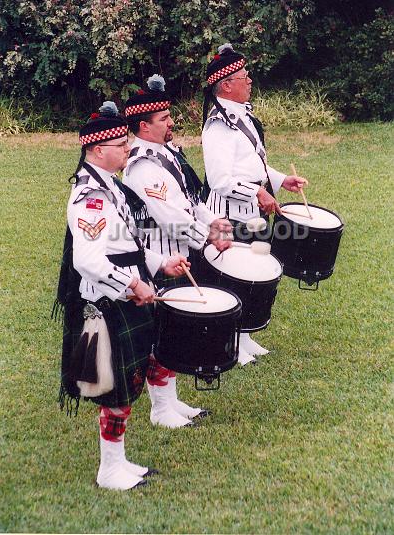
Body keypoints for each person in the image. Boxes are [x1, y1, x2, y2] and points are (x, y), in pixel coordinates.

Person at [55, 103, 190, 491]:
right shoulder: (89, 197)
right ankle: (109, 470)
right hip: (106, 302)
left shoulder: (110, 185)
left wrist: (162, 263)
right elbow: (88, 260)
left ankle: (118, 463)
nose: (128, 148)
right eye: (120, 143)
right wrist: (131, 285)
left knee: (127, 383)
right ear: (97, 150)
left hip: (122, 299)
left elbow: (125, 242)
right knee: (115, 388)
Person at [122, 75, 234, 422]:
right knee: (164, 332)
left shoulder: (166, 153)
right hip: (162, 254)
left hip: (180, 250)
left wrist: (214, 222)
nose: (172, 122)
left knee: (175, 328)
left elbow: (188, 199)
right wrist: (207, 238)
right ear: (144, 126)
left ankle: (170, 402)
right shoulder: (142, 164)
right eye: (164, 119)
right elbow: (169, 217)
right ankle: (160, 409)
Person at [201, 43, 308, 364]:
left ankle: (244, 336)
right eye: (243, 76)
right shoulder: (218, 126)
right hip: (228, 213)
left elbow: (251, 165)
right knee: (232, 275)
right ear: (226, 85)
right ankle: (230, 341)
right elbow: (220, 179)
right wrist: (257, 193)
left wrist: (277, 181)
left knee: (250, 273)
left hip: (250, 210)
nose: (250, 81)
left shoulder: (241, 116)